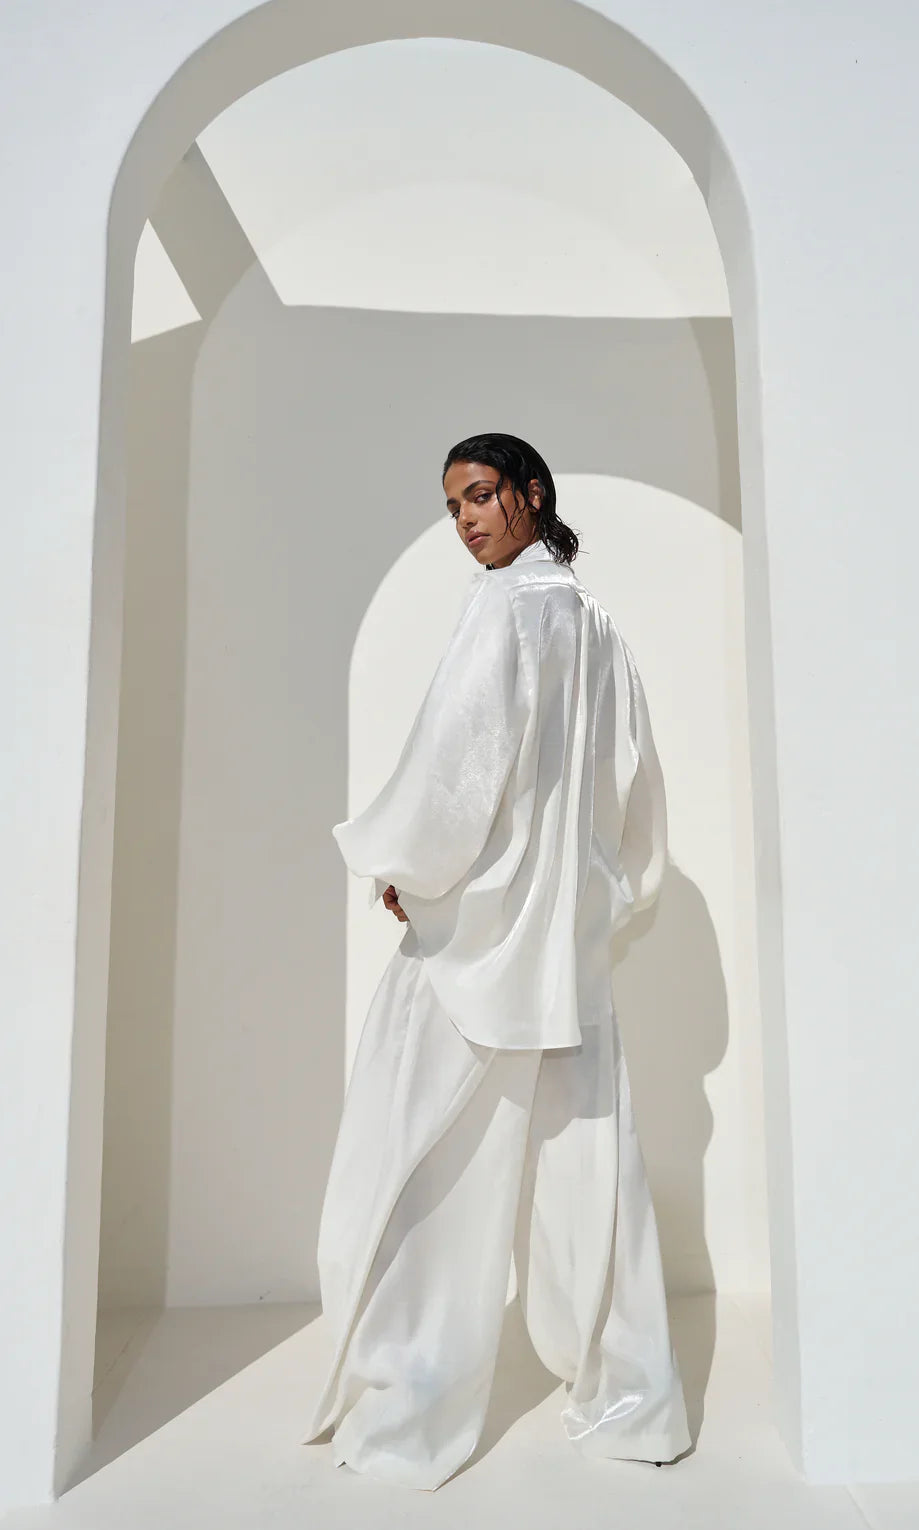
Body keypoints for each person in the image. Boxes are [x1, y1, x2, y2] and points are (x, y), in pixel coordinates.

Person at [299, 433, 690, 1490]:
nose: (467, 520)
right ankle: (634, 1404)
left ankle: (409, 1413)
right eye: (453, 506)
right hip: (567, 951)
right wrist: (597, 900)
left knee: (418, 1166)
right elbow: (634, 788)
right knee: (593, 1176)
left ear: (531, 492)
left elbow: (458, 766)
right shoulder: (596, 623)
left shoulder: (506, 611)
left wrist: (407, 873)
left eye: (480, 495)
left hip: (478, 945)